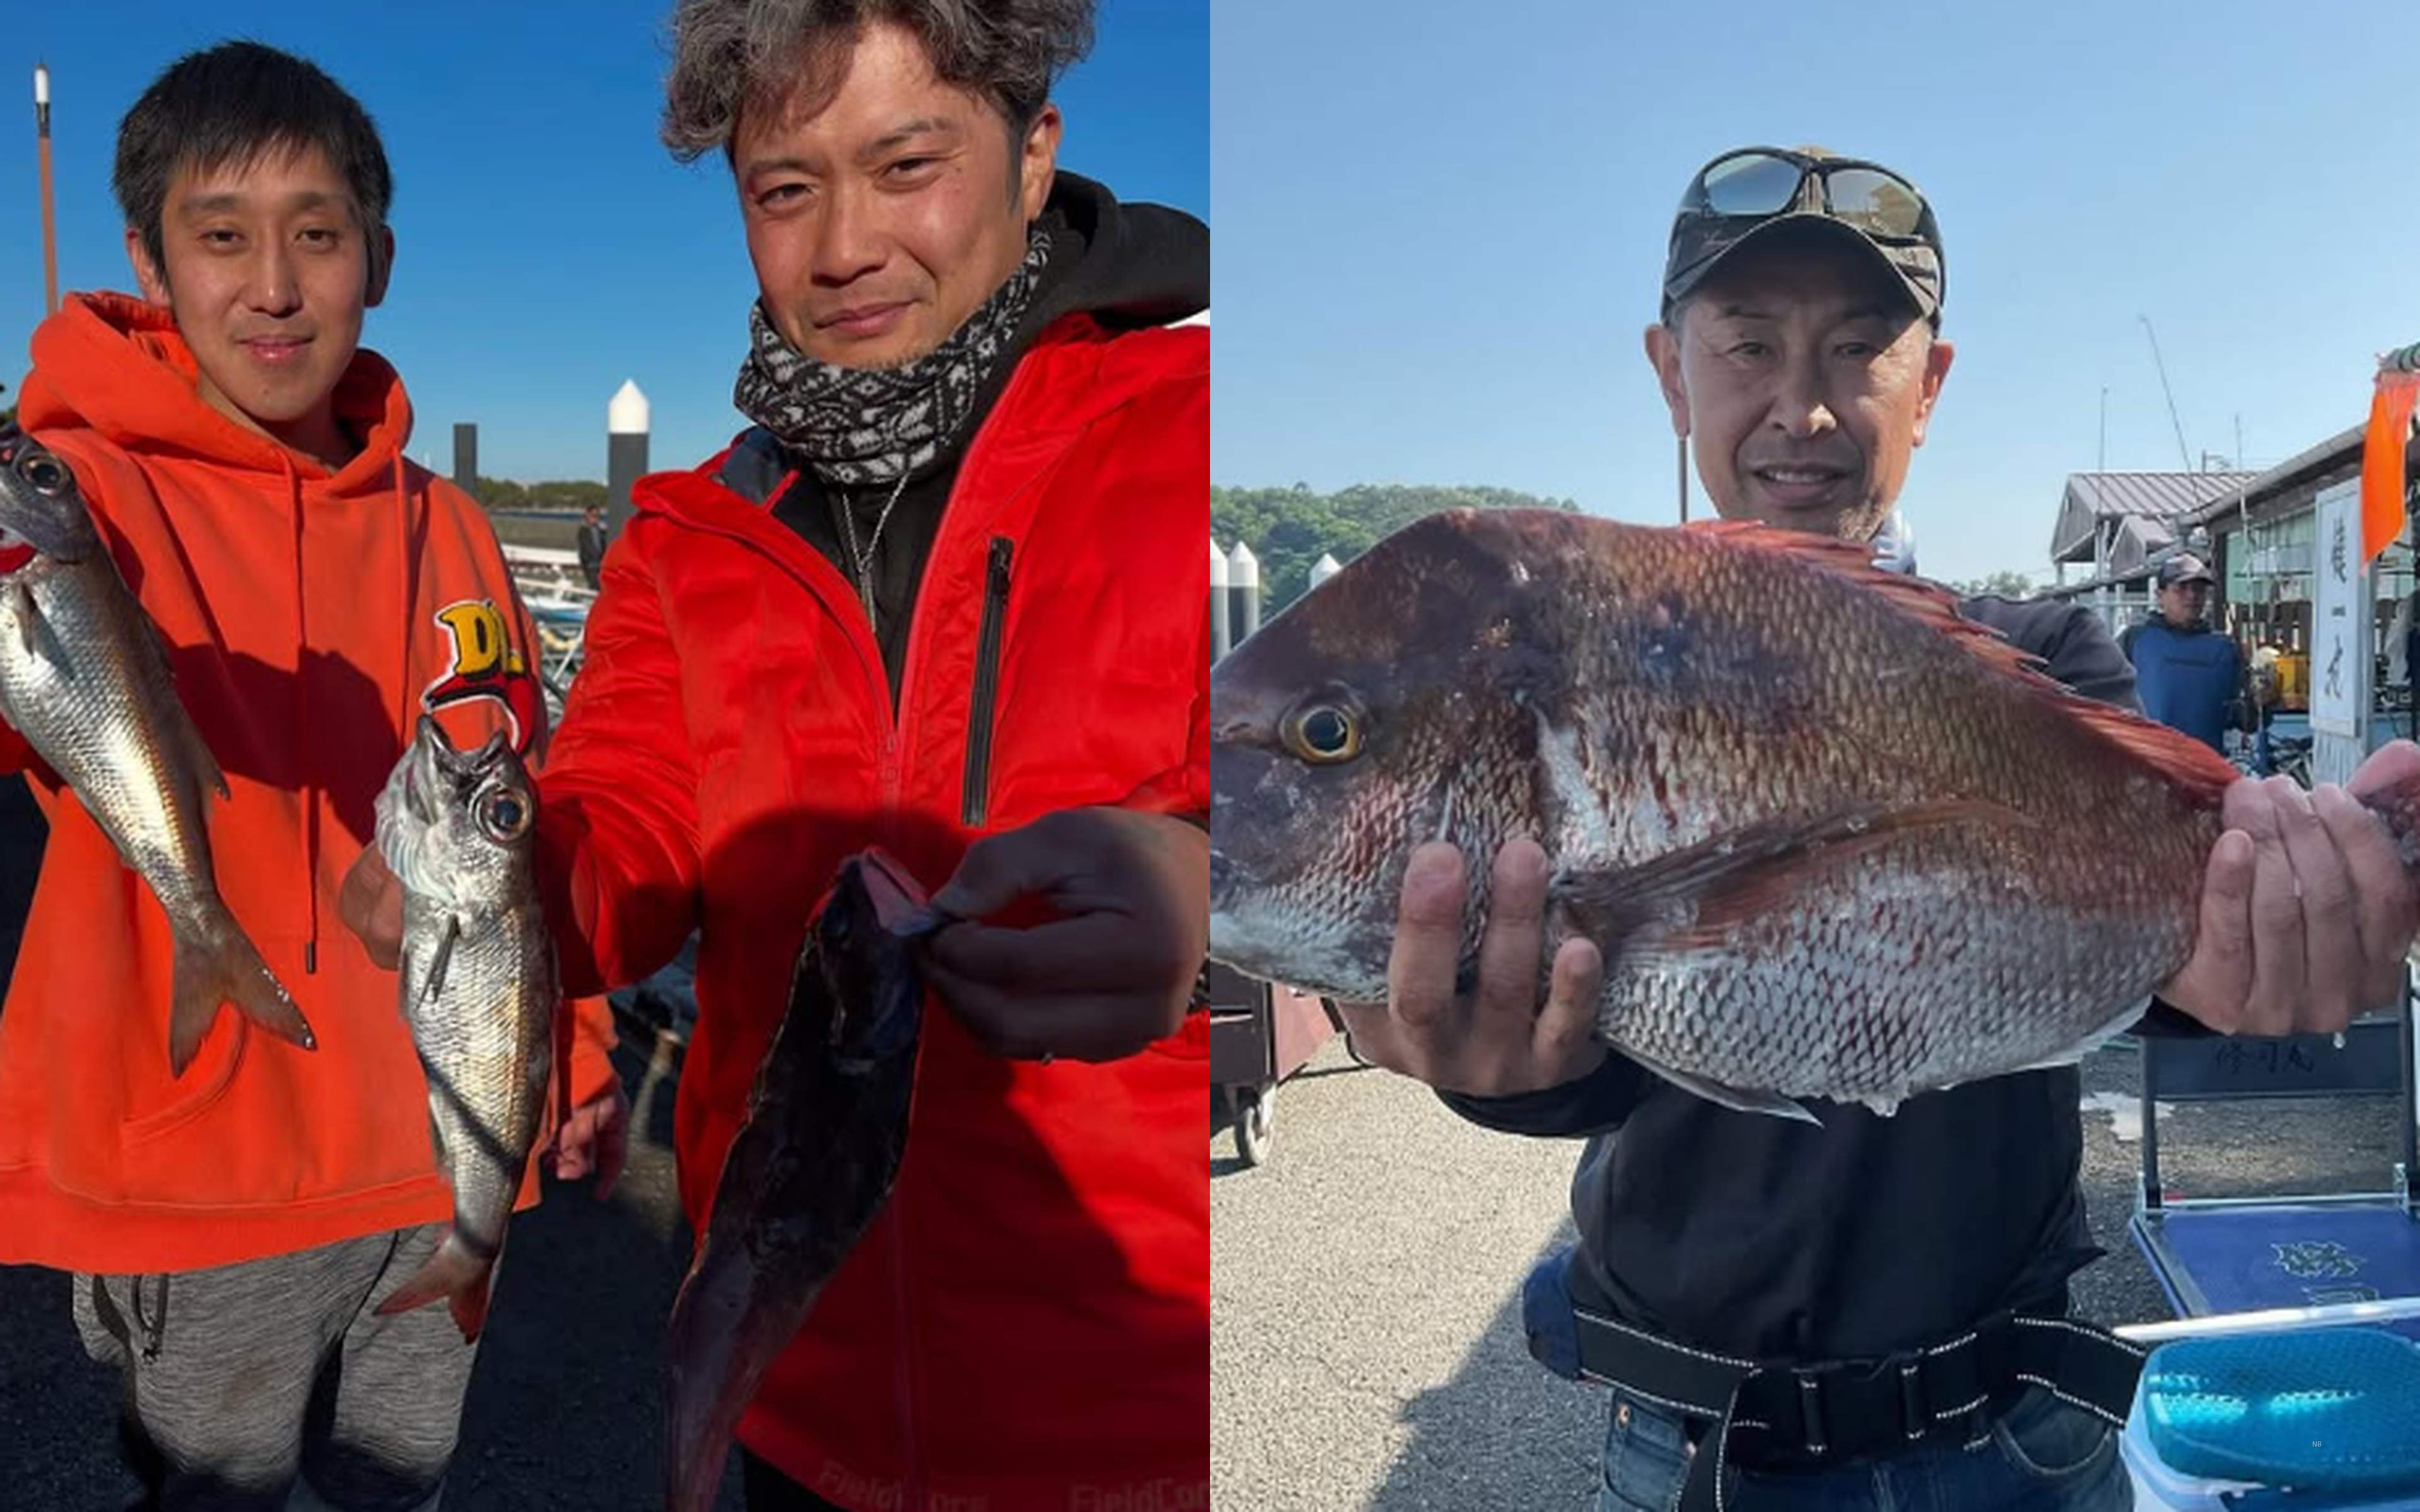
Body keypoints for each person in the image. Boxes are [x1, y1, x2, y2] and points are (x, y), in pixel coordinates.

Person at [1335, 145, 2420, 1512]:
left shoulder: (2042, 652)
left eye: (1858, 350)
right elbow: (1614, 1060)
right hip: (1689, 1451)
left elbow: (2157, 969)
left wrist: (2273, 951)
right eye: (1747, 347)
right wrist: (1499, 1067)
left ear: (1932, 386)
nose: (1803, 407)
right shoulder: (1583, 666)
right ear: (1673, 371)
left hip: (2013, 1433)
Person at [337, 3, 1209, 1508]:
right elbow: (629, 830)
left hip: (1153, 1407)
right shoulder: (686, 527)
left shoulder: (1200, 425)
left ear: (1033, 148)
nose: (846, 245)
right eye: (785, 188)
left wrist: (1216, 894)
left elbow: (1376, 813)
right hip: (791, 1380)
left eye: (906, 163)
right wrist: (504, 872)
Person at [0, 42, 629, 1512]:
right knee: (211, 1488)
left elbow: (518, 818)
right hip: (198, 1160)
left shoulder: (458, 533)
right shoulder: (80, 495)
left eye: (318, 234)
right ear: (149, 260)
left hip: (442, 1145)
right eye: (220, 235)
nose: (273, 285)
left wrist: (580, 1052)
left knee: (397, 1481)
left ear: (381, 259)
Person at [2121, 553, 2249, 753]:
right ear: (2160, 595)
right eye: (2181, 588)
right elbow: (2101, 696)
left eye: (2199, 589)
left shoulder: (2226, 649)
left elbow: (2246, 721)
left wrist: (2264, 702)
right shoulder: (2135, 640)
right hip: (2147, 764)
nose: (2192, 596)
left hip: (2205, 769)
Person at [575, 500, 608, 591]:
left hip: (601, 564)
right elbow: (586, 547)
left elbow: (604, 545)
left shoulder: (600, 530)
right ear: (587, 516)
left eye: (598, 516)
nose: (595, 519)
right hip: (591, 565)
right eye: (593, 516)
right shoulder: (584, 530)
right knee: (596, 585)